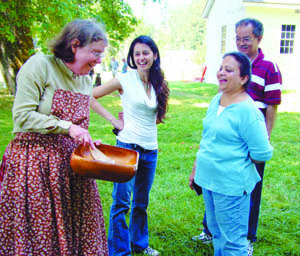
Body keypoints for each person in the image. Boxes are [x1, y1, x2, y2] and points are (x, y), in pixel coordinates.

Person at [0, 19, 109, 255]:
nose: (99, 61)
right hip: (34, 166)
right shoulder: (40, 65)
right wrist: (68, 127)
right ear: (74, 45)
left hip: (72, 168)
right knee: (40, 236)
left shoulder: (86, 80)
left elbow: (78, 127)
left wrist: (85, 142)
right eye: (95, 53)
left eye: (101, 55)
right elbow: (22, 116)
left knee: (81, 233)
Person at [193, 18, 282, 255]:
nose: (221, 73)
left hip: (230, 185)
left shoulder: (248, 110)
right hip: (209, 180)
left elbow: (262, 153)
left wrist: (235, 165)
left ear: (244, 79)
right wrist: (196, 171)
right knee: (217, 233)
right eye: (221, 68)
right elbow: (206, 139)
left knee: (233, 242)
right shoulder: (215, 100)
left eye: (229, 70)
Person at [91, 35, 169, 256]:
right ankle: (118, 250)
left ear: (155, 54)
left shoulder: (159, 82)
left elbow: (154, 117)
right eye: (137, 54)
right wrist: (116, 122)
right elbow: (90, 96)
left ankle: (139, 244)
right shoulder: (124, 79)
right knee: (121, 203)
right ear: (132, 58)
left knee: (141, 203)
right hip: (127, 148)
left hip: (150, 150)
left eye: (145, 52)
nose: (141, 57)